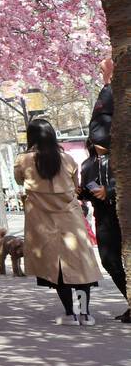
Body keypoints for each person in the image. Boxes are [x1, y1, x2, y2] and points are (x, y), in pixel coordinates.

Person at [15, 120, 103, 325]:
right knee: (79, 267)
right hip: (70, 219)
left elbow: (20, 181)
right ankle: (85, 313)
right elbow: (75, 186)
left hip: (41, 220)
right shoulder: (68, 159)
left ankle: (69, 314)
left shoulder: (23, 160)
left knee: (57, 268)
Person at [80, 138, 128, 322]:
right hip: (103, 216)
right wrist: (82, 193)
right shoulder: (88, 164)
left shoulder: (121, 157)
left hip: (124, 212)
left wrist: (109, 191)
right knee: (109, 261)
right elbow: (87, 189)